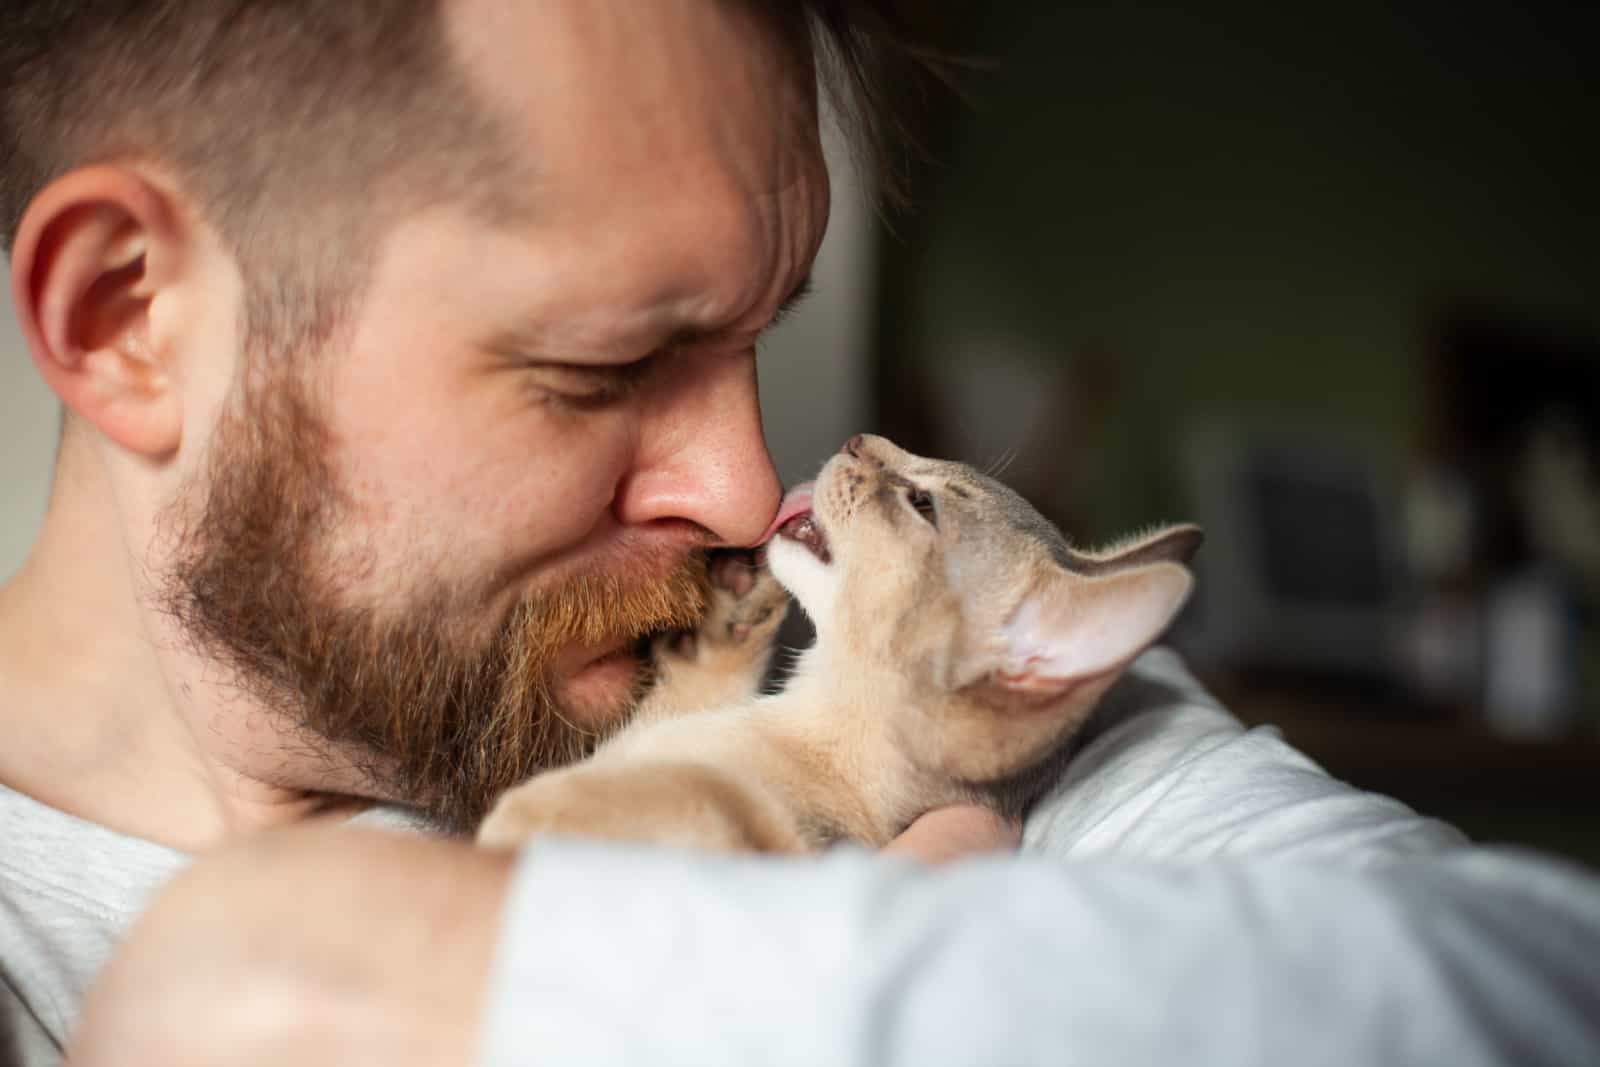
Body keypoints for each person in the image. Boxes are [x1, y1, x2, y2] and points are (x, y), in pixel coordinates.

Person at [1, 3, 1596, 1065]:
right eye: (606, 364)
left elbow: (1543, 985)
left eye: (758, 335)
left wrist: (370, 976)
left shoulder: (859, 679)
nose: (745, 484)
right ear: (128, 321)